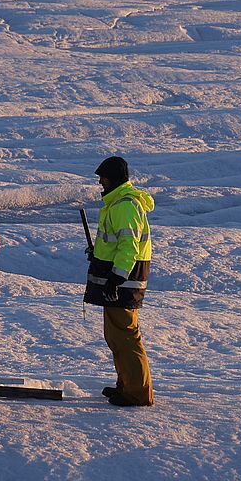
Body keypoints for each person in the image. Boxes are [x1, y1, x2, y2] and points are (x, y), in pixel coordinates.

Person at [84, 154, 154, 407]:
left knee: (125, 337)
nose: (100, 182)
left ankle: (136, 393)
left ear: (113, 179)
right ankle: (126, 385)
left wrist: (116, 277)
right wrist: (99, 253)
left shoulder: (125, 205)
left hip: (124, 282)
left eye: (103, 177)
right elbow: (115, 245)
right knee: (117, 337)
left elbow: (129, 246)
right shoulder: (118, 204)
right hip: (120, 280)